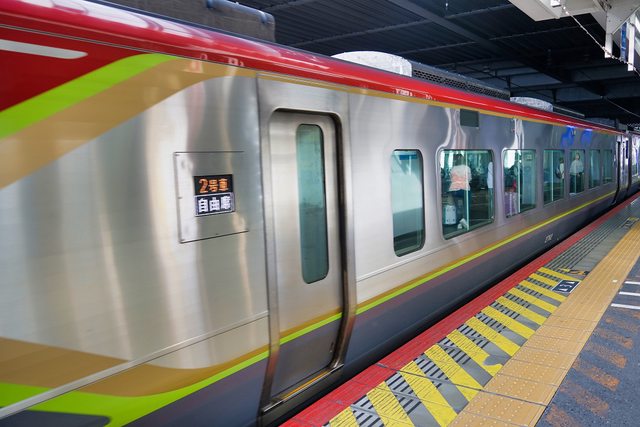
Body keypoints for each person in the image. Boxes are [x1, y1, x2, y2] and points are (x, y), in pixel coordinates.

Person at [449, 153, 471, 229]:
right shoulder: (467, 168)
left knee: (458, 207)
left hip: (454, 189)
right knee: (466, 206)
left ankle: (459, 223)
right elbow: (469, 178)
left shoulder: (453, 168)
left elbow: (451, 178)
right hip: (464, 189)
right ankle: (464, 220)